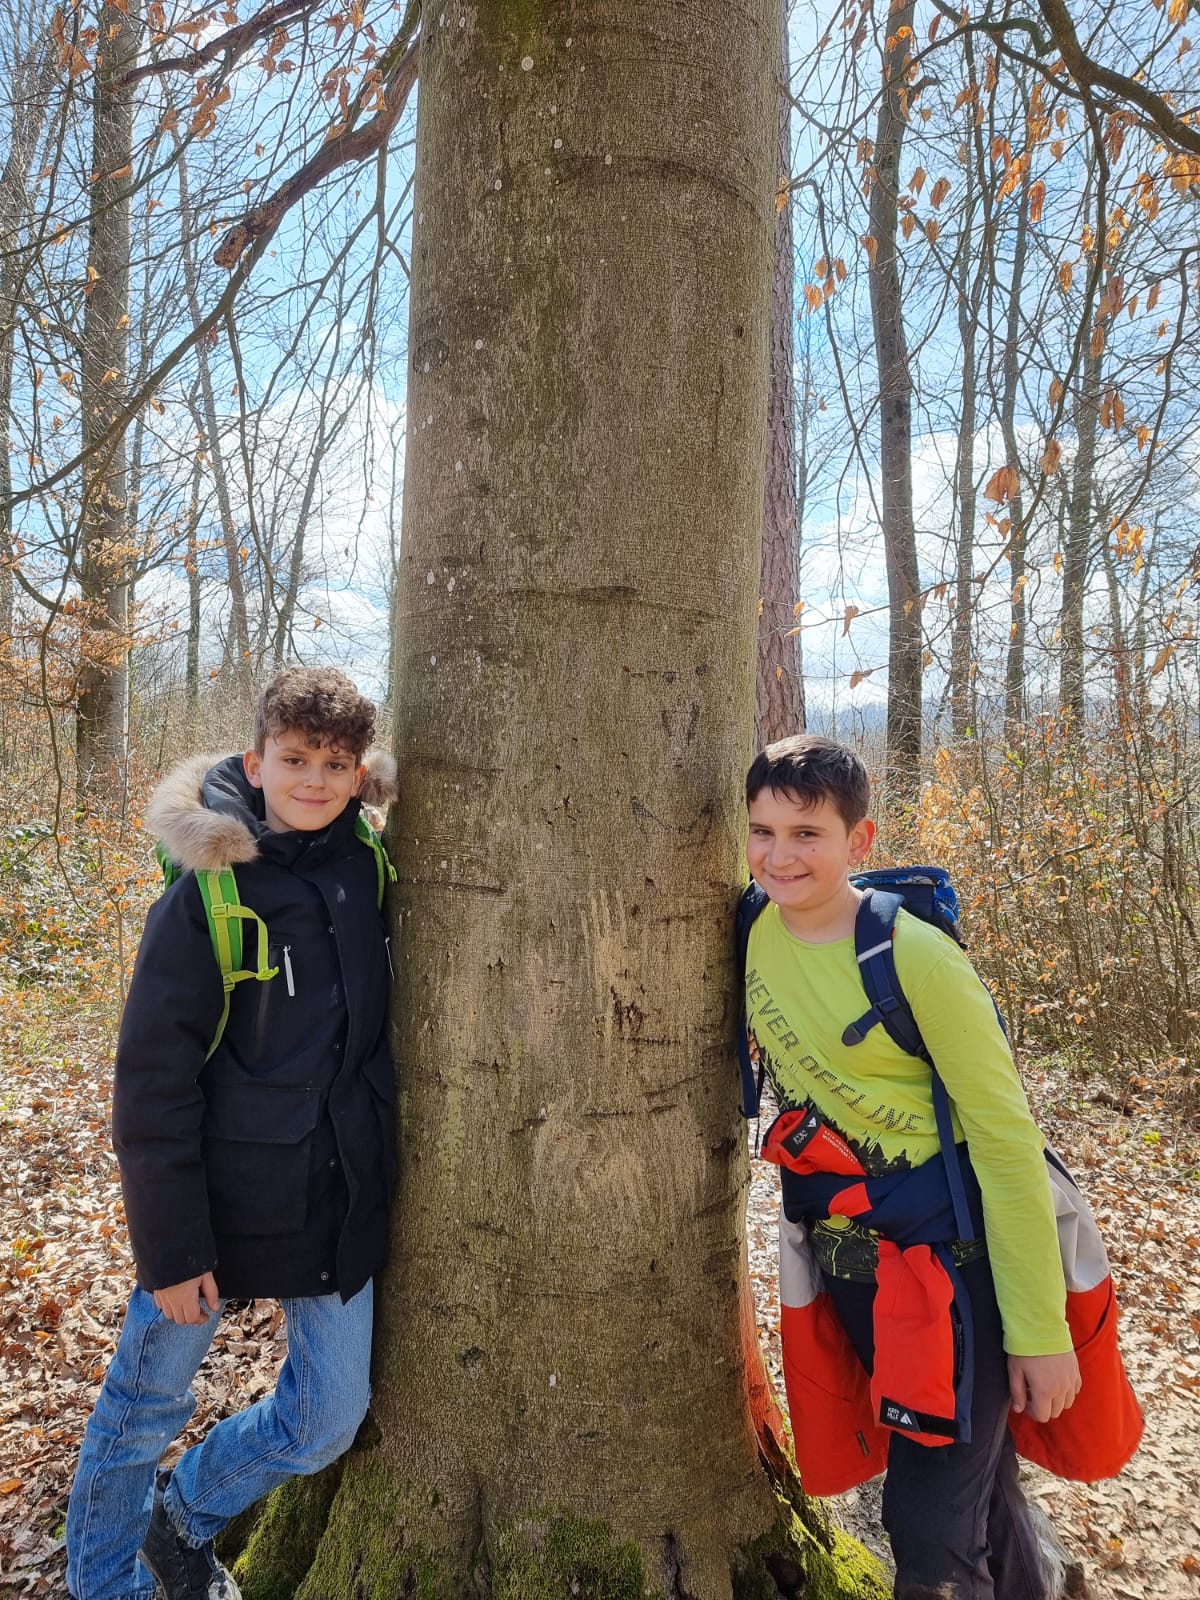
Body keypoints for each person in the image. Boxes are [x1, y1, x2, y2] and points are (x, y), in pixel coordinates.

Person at [67, 666, 398, 1600]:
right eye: (295, 759)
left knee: (330, 1415)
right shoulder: (205, 896)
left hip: (331, 1200)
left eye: (336, 763)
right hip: (209, 1208)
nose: (315, 781)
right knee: (140, 1411)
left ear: (359, 770)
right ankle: (104, 1585)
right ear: (256, 763)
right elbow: (151, 1085)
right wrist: (170, 1251)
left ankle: (184, 1517)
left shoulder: (367, 868)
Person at [742, 734, 1079, 1600]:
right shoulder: (750, 928)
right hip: (857, 1269)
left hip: (956, 1286)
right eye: (763, 831)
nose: (780, 856)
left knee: (930, 1540)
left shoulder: (916, 959)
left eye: (807, 834)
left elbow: (1007, 1147)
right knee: (980, 1497)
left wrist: (1040, 1333)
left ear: (861, 841)